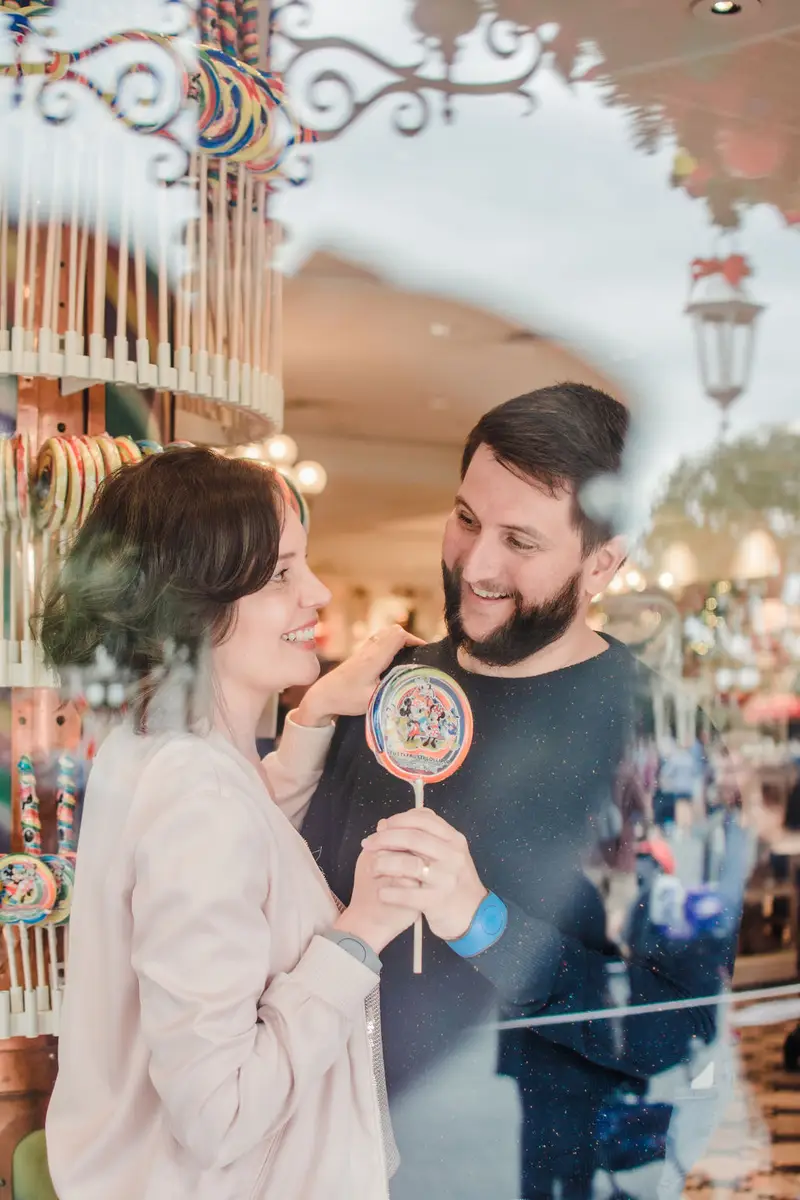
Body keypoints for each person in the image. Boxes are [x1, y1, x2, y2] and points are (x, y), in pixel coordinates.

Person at [292, 385, 742, 1199]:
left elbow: (676, 1025)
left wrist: (484, 922)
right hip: (345, 1163)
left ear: (603, 562)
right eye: (466, 519)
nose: (477, 563)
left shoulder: (668, 738)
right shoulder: (378, 694)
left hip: (538, 1171)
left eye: (520, 541)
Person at [41, 447, 431, 1200]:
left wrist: (313, 716)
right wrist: (359, 935)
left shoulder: (157, 746)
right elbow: (220, 1114)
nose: (316, 592)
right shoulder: (196, 791)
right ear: (196, 609)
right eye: (282, 575)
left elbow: (239, 855)